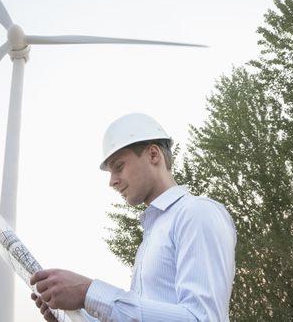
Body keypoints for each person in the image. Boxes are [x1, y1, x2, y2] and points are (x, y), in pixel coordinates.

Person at [30, 113, 237, 321]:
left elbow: (203, 318)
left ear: (153, 155)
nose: (112, 182)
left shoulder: (196, 213)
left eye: (119, 167)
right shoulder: (153, 234)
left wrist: (87, 292)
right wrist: (73, 315)